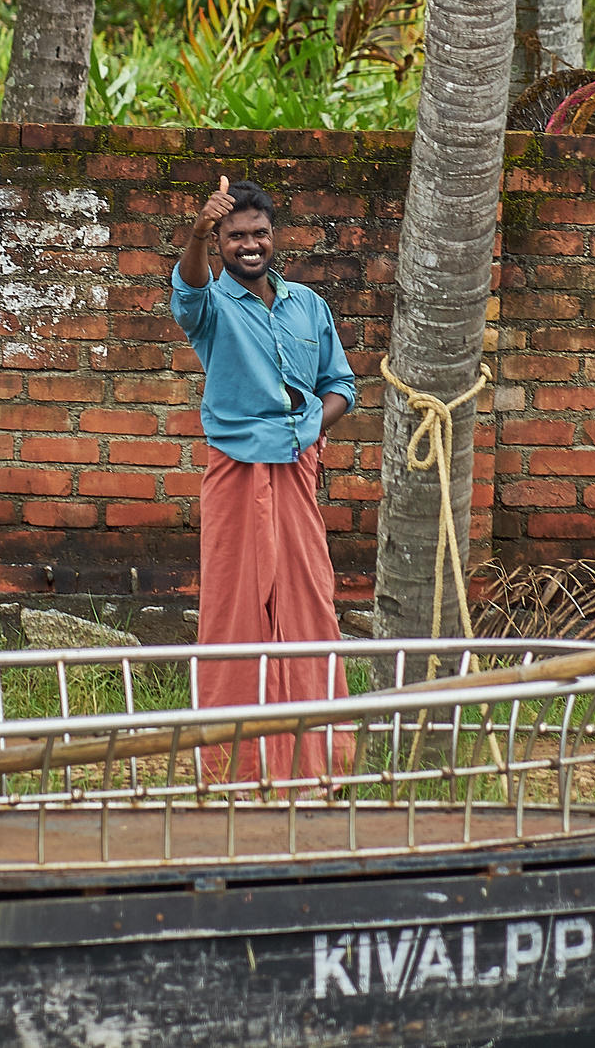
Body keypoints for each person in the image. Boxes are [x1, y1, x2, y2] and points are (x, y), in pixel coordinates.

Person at [172, 175, 359, 780]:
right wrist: (196, 233)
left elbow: (341, 384)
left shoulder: (308, 305)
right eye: (235, 236)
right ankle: (233, 768)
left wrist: (310, 428)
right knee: (234, 609)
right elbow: (188, 287)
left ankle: (318, 763)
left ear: (273, 237)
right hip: (235, 469)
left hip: (297, 470)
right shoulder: (211, 306)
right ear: (220, 242)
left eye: (259, 233)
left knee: (309, 605)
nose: (249, 245)